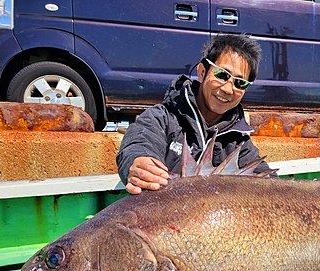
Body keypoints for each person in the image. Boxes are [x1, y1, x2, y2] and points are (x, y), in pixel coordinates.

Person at [116, 34, 274, 194]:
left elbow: (269, 184)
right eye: (222, 74)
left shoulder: (240, 143)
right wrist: (139, 164)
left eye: (240, 83)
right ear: (202, 72)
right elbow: (139, 143)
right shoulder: (161, 119)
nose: (227, 89)